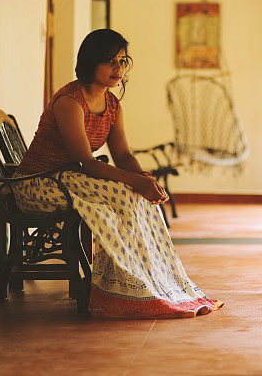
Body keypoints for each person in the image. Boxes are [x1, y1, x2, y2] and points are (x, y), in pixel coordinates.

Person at [13, 29, 221, 319]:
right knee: (124, 193)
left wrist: (144, 180)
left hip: (70, 181)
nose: (118, 69)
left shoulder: (112, 104)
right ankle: (121, 289)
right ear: (90, 62)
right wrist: (136, 181)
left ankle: (155, 284)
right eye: (110, 61)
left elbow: (123, 155)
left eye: (123, 61)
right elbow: (86, 162)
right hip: (37, 185)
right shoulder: (70, 102)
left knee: (135, 195)